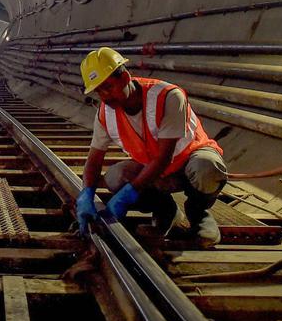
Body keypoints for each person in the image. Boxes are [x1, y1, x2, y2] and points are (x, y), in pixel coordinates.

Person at [74, 47, 227, 247]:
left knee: (207, 167)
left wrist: (127, 195)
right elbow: (94, 159)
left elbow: (163, 157)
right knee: (115, 177)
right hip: (156, 173)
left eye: (108, 87)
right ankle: (166, 211)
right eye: (98, 90)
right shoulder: (106, 113)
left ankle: (199, 216)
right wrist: (86, 193)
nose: (104, 95)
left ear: (125, 77)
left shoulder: (168, 97)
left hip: (189, 162)